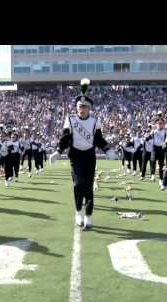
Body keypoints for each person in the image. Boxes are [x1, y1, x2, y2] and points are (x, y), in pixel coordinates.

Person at [49, 78, 117, 229]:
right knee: (78, 185)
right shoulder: (70, 120)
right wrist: (58, 151)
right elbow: (65, 138)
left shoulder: (94, 121)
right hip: (76, 156)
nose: (82, 109)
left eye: (85, 106)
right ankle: (78, 211)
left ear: (89, 108)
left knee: (89, 186)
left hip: (89, 156)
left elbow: (99, 139)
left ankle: (88, 216)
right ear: (77, 107)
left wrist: (107, 149)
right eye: (80, 106)